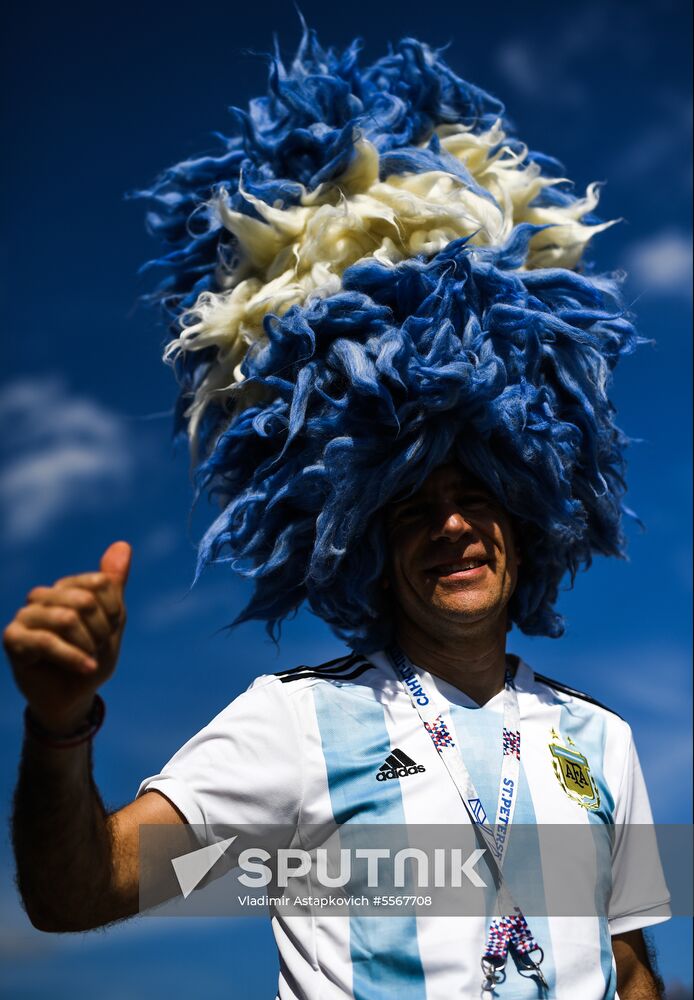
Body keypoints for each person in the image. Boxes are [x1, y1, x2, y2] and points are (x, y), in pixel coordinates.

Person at [4, 26, 672, 1000]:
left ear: (521, 523)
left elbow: (623, 964)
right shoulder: (297, 723)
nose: (450, 525)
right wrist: (60, 726)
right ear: (365, 537)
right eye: (412, 507)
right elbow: (83, 891)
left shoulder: (601, 739)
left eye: (474, 496)